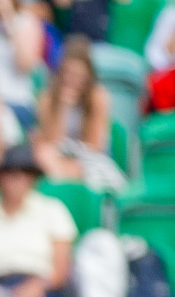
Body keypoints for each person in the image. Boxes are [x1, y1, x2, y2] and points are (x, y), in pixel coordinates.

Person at [0, 144, 76, 297]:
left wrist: (39, 285)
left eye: (23, 174)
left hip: (43, 289)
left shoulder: (53, 210)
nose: (16, 180)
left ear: (33, 179)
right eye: (10, 174)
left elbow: (61, 270)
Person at [31, 36, 123, 191]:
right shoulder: (47, 97)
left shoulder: (98, 97)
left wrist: (72, 162)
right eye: (67, 73)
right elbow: (52, 141)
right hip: (57, 159)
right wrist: (62, 107)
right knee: (44, 154)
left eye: (77, 75)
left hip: (89, 158)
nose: (71, 80)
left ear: (88, 75)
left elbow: (95, 145)